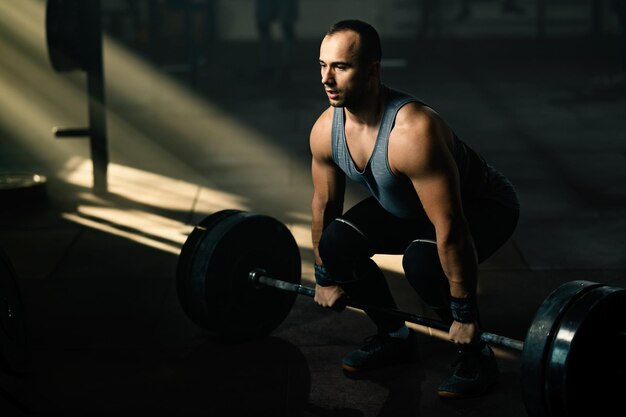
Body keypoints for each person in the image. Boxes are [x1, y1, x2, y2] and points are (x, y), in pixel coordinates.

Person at [309, 20, 519, 398]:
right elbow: (324, 205)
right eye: (322, 65)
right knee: (337, 242)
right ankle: (394, 335)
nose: (327, 78)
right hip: (409, 206)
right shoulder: (326, 129)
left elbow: (451, 225)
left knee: (422, 263)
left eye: (340, 67)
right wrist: (325, 274)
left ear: (372, 69)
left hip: (483, 206)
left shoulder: (413, 132)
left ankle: (477, 357)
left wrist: (464, 313)